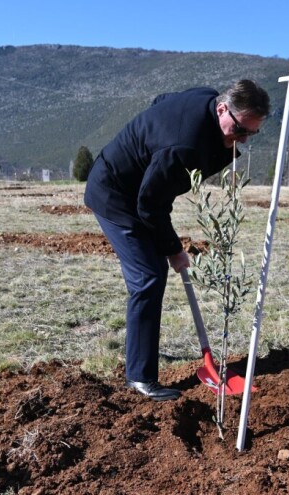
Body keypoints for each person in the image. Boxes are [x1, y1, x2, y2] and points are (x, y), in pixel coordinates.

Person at [84, 80, 270, 401]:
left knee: (151, 272)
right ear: (222, 108)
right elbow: (150, 206)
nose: (243, 139)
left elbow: (162, 99)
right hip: (115, 193)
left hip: (139, 191)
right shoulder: (183, 147)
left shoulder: (206, 98)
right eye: (240, 130)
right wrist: (174, 249)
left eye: (251, 134)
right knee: (148, 277)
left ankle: (140, 356)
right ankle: (140, 378)